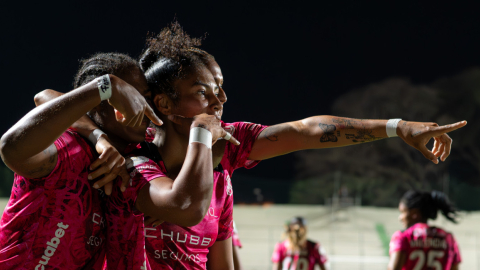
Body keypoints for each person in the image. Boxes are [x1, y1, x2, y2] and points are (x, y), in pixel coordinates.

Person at [124, 21, 467, 270]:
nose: (221, 101)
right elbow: (186, 205)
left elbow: (306, 131)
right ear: (164, 105)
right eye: (203, 92)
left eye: (221, 88)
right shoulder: (129, 157)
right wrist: (98, 138)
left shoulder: (223, 158)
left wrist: (398, 127)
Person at [0, 52, 162, 269]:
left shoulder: (143, 152)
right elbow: (11, 146)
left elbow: (48, 95)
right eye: (131, 96)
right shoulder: (67, 146)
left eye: (147, 97)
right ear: (98, 104)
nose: (143, 106)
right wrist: (103, 87)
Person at [388, 190, 461, 270]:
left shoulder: (404, 236)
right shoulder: (448, 238)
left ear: (414, 214)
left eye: (402, 212)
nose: (400, 218)